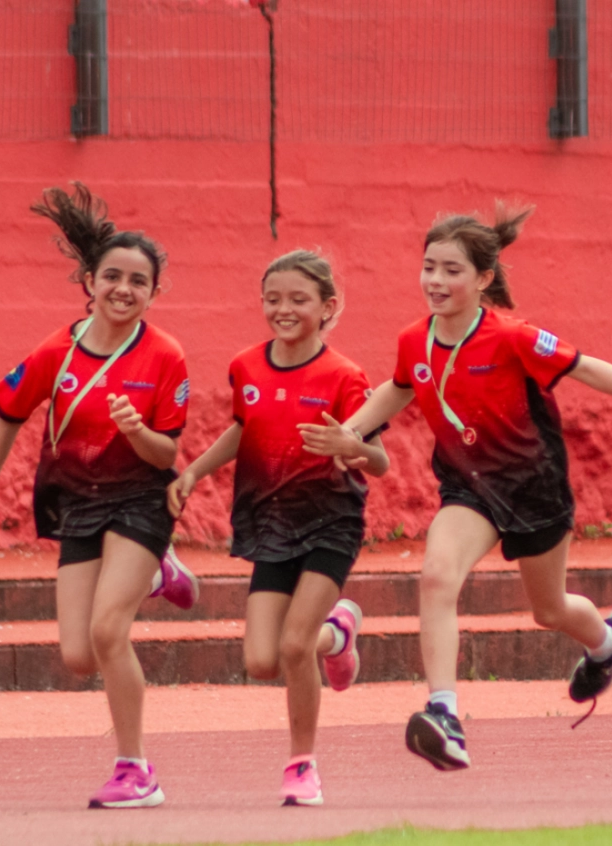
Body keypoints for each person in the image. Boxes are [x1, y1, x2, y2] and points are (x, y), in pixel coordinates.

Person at [301, 203, 612, 771]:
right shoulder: (415, 339)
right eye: (429, 266)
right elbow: (399, 387)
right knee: (436, 576)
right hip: (469, 490)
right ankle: (444, 714)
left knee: (549, 609)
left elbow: (588, 367)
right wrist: (352, 429)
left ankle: (606, 641)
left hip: (534, 489)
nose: (435, 280)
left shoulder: (513, 336)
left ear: (483, 278)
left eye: (451, 270)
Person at [0, 183, 199, 808]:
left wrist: (136, 429)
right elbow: (8, 415)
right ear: (89, 281)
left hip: (142, 501)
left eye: (138, 281)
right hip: (77, 503)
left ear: (154, 292)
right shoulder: (55, 350)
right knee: (76, 655)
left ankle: (136, 769)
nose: (123, 289)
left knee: (109, 632)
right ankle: (153, 576)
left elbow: (168, 454)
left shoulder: (166, 355)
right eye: (112, 276)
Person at [168, 250, 387, 806]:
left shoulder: (345, 376)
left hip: (331, 521)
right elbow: (243, 428)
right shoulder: (246, 365)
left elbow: (379, 461)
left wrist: (352, 446)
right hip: (269, 522)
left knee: (293, 647)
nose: (283, 309)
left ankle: (301, 766)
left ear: (326, 307)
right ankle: (337, 632)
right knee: (262, 660)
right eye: (272, 299)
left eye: (297, 299)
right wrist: (193, 469)